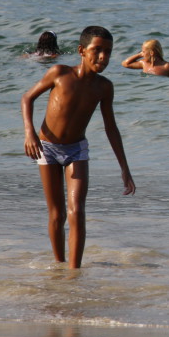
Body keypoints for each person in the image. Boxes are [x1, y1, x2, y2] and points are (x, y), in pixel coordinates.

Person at [20, 26, 135, 269]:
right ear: (82, 50)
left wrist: (124, 168)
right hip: (47, 148)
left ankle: (74, 272)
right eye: (97, 50)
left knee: (77, 211)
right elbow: (27, 98)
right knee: (57, 214)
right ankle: (59, 265)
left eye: (108, 52)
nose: (103, 57)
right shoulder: (59, 73)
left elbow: (111, 128)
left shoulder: (104, 87)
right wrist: (29, 133)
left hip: (76, 150)